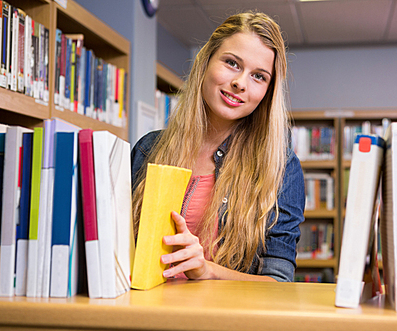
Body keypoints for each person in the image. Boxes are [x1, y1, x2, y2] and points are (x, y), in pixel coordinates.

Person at [131, 11, 305, 282]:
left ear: (268, 93)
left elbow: (279, 282)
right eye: (232, 63)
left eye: (259, 76)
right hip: (144, 317)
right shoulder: (147, 149)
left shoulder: (280, 167)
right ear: (206, 62)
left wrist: (207, 271)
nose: (240, 83)